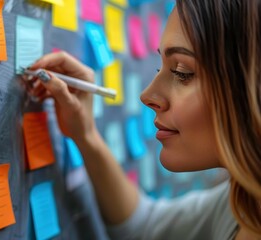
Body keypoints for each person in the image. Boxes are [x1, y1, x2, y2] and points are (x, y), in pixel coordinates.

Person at [21, 1, 261, 239]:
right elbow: (145, 226)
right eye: (161, 69)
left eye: (181, 72)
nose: (146, 96)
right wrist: (86, 135)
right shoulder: (242, 203)